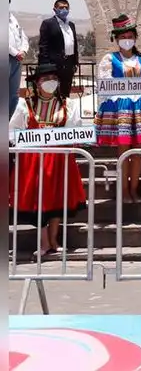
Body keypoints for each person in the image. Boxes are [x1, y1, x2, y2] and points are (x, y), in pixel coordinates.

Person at [9, 64, 87, 257]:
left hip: (60, 159)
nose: (50, 82)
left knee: (57, 200)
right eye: (45, 79)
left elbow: (74, 130)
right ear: (37, 83)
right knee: (39, 201)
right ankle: (44, 241)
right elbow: (13, 132)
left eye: (53, 78)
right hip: (34, 161)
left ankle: (54, 240)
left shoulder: (68, 105)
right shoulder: (25, 105)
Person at [94, 15, 141, 204]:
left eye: (129, 35)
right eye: (122, 36)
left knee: (137, 153)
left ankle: (134, 189)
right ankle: (123, 190)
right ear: (116, 39)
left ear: (135, 37)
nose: (126, 39)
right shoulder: (109, 59)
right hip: (122, 110)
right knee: (123, 151)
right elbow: (105, 83)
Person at [38, 0, 79, 98]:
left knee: (66, 92)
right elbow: (43, 46)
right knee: (53, 93)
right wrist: (46, 65)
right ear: (55, 9)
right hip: (54, 65)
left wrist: (75, 62)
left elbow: (74, 44)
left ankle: (64, 112)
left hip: (69, 64)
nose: (64, 9)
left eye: (66, 7)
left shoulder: (71, 25)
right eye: (61, 7)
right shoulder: (48, 24)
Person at [9, 0, 29, 118]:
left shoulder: (13, 18)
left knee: (13, 95)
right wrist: (15, 52)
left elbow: (23, 36)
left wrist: (24, 50)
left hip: (16, 60)